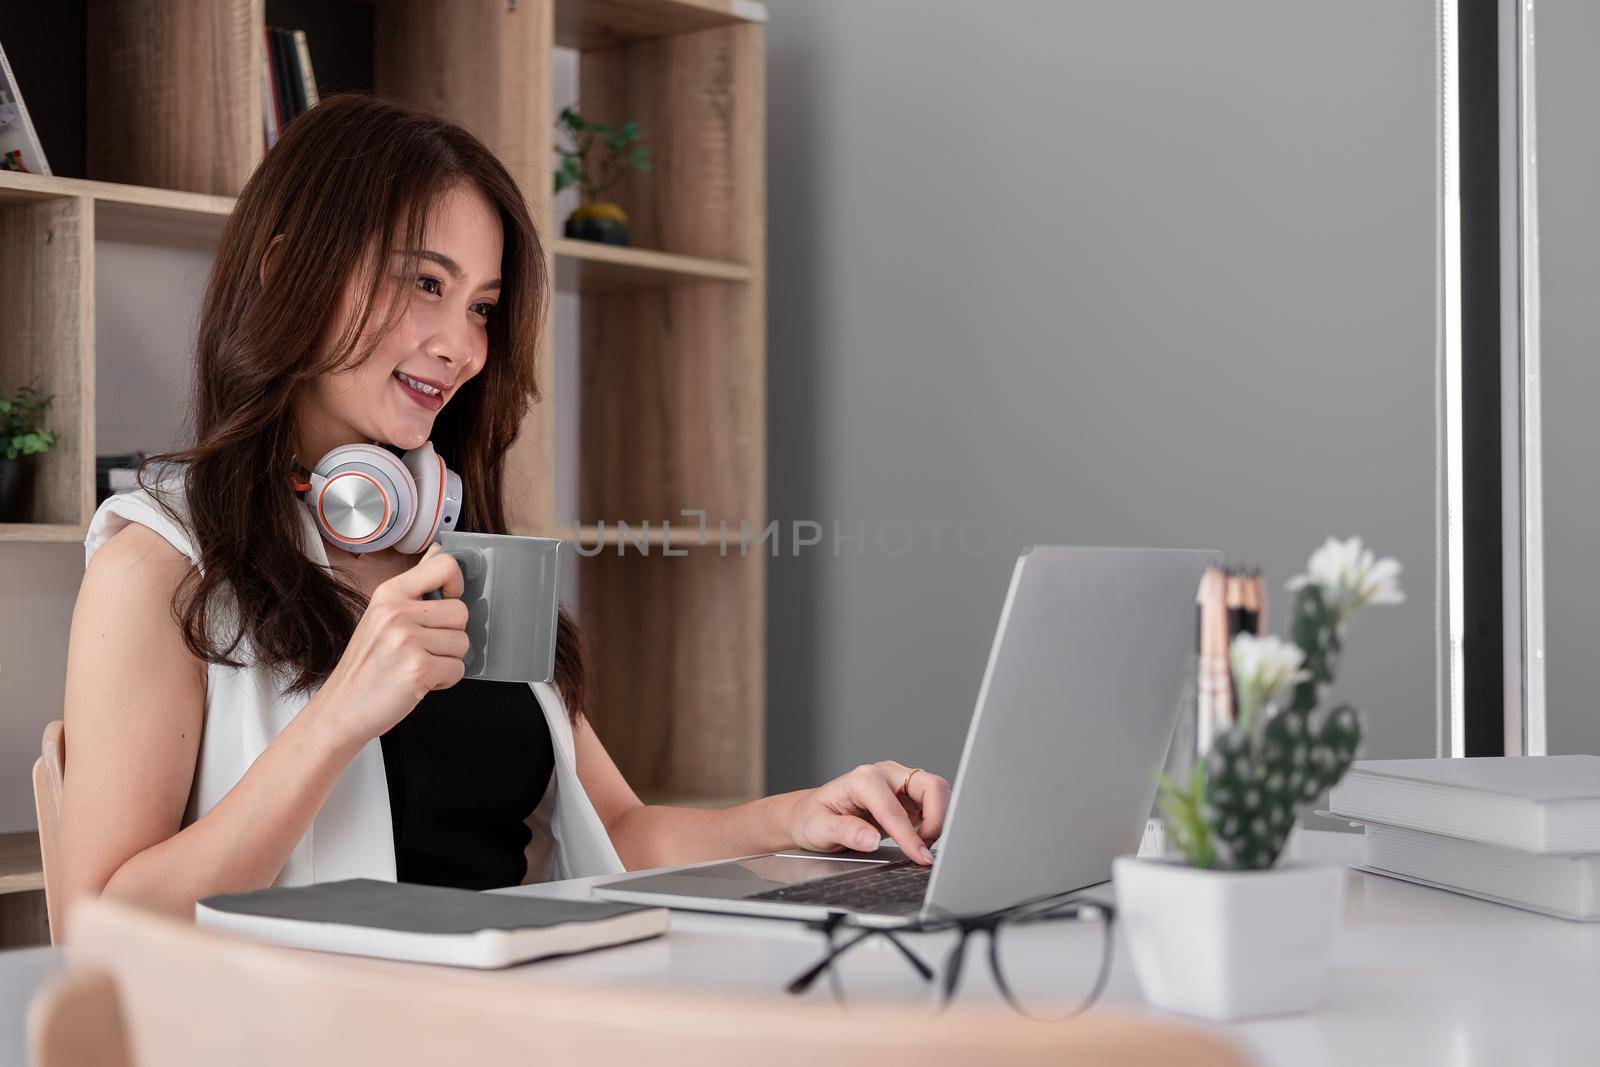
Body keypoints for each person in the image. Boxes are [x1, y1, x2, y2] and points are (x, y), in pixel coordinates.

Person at [57, 93, 949, 927]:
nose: (462, 347)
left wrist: (803, 817)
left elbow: (623, 833)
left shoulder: (455, 551)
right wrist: (339, 716)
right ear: (289, 269)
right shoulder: (161, 566)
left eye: (482, 306)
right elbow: (99, 921)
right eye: (424, 284)